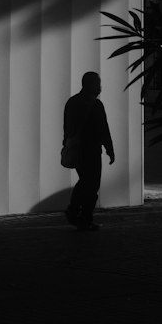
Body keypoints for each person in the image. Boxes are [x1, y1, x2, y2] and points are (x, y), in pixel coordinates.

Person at [63, 72, 115, 231]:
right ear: (91, 85)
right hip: (92, 151)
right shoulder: (96, 105)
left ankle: (77, 212)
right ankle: (82, 216)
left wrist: (67, 144)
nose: (100, 87)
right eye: (98, 83)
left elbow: (67, 128)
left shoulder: (72, 102)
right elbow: (103, 129)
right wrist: (109, 149)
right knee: (92, 184)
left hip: (78, 150)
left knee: (85, 181)